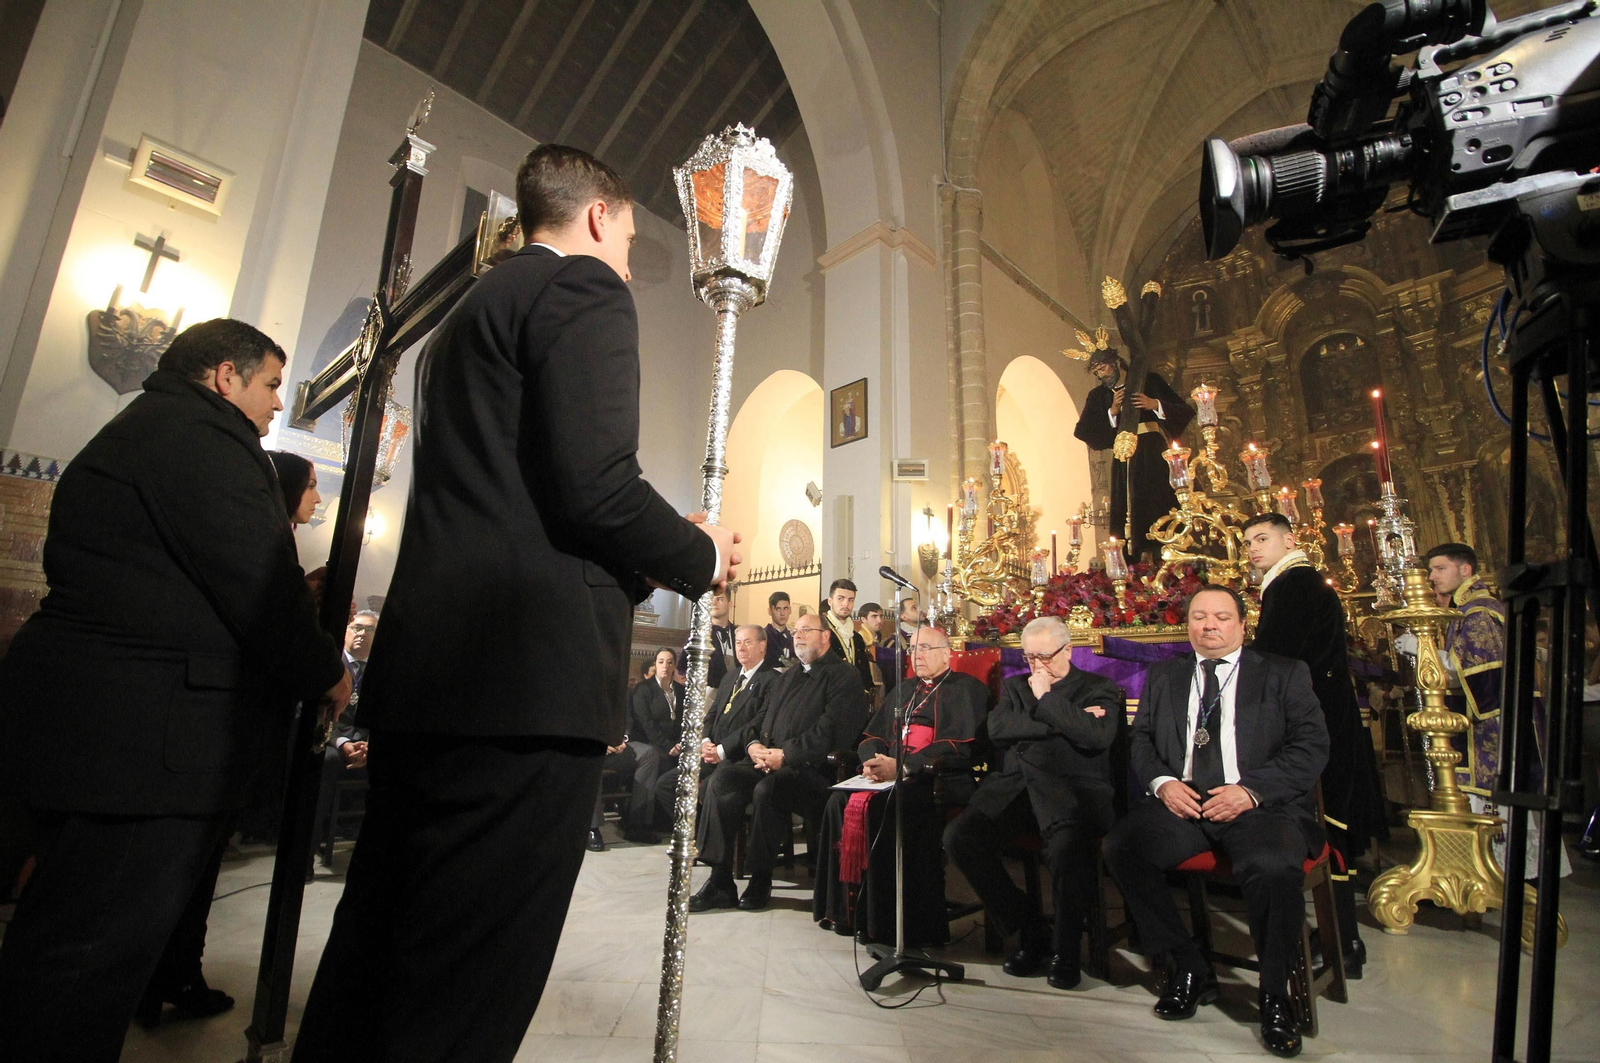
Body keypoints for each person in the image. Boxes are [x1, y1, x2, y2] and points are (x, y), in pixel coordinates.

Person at [293, 145, 740, 1063]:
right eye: (625, 241)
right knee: (464, 981)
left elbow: (521, 499)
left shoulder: (468, 315)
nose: (625, 263)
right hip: (520, 692)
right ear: (602, 216)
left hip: (433, 681)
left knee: (380, 945)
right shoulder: (583, 289)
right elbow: (596, 490)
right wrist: (700, 551)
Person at [0, 319, 349, 1061]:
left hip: (104, 731)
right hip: (141, 747)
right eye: (269, 386)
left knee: (64, 947)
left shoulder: (150, 427)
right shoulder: (203, 439)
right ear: (225, 376)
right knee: (84, 962)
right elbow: (256, 583)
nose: (275, 405)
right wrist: (325, 668)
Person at [1103, 586, 1328, 1059]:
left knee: (1271, 867)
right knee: (1122, 848)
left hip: (1257, 805)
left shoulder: (1283, 674)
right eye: (1199, 616)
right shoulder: (1165, 674)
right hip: (1185, 803)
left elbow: (1311, 748)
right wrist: (1164, 782)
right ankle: (1189, 966)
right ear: (1187, 625)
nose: (1209, 625)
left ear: (1242, 625)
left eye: (1221, 617)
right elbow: (1140, 739)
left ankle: (1274, 995)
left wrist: (1250, 791)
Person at [945, 616, 1125, 990]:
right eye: (1030, 658)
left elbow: (1095, 737)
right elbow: (998, 731)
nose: (1037, 667)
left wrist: (1045, 699)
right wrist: (1062, 723)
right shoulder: (1014, 688)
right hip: (1016, 791)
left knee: (1065, 850)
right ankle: (1030, 926)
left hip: (1071, 793)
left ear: (1068, 650)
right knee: (960, 837)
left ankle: (1066, 950)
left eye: (1044, 657)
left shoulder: (1100, 688)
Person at [1244, 513, 1387, 976]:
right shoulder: (1297, 584)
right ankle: (1341, 938)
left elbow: (1274, 661)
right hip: (1328, 715)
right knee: (1329, 823)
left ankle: (1343, 941)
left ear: (1290, 540)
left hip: (1314, 726)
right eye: (1247, 541)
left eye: (1262, 539)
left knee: (1327, 824)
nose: (1251, 548)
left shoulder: (1293, 585)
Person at [816, 625, 988, 946]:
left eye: (926, 649)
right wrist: (872, 761)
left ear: (947, 654)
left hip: (936, 781)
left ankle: (887, 925)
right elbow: (873, 736)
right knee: (838, 803)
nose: (917, 656)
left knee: (887, 809)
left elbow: (959, 748)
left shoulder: (966, 689)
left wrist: (905, 766)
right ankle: (848, 912)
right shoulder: (903, 690)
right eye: (913, 649)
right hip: (889, 774)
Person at [690, 613, 869, 912]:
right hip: (769, 760)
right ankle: (720, 881)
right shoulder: (788, 676)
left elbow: (831, 731)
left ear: (825, 637)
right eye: (795, 631)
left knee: (767, 791)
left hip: (812, 770)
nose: (797, 636)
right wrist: (754, 745)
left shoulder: (844, 676)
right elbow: (761, 720)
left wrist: (785, 755)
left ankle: (761, 879)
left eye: (806, 631)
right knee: (722, 779)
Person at [1072, 347, 1194, 561]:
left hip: (1154, 451)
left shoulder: (1149, 382)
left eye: (1103, 368)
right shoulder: (1098, 395)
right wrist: (1112, 413)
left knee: (1160, 500)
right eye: (1096, 372)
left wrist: (1154, 404)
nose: (1101, 375)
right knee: (1128, 507)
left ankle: (1169, 549)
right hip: (1125, 457)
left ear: (1117, 362)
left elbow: (1183, 411)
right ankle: (1134, 559)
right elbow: (1084, 431)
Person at [655, 624, 777, 823]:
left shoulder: (771, 679)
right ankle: (695, 837)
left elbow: (758, 723)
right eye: (738, 643)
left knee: (709, 789)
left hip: (736, 757)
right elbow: (710, 715)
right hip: (710, 753)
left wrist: (722, 750)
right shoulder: (729, 677)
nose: (741, 648)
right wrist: (704, 741)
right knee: (665, 785)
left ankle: (706, 840)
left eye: (747, 642)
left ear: (762, 646)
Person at [311, 611, 377, 864]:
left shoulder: (381, 670)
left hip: (366, 747)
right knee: (323, 761)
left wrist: (371, 747)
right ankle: (306, 855)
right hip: (333, 742)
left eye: (369, 630)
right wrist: (343, 742)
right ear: (346, 631)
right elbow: (316, 712)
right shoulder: (332, 665)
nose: (362, 634)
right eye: (357, 628)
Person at [624, 648, 685, 843]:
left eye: (669, 662)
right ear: (655, 664)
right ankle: (648, 821)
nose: (665, 666)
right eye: (660, 662)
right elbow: (646, 724)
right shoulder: (644, 689)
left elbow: (684, 721)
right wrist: (668, 746)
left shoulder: (681, 690)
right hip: (649, 742)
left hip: (675, 744)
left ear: (675, 666)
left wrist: (680, 744)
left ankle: (673, 820)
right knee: (662, 760)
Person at [822, 578, 875, 694]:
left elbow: (865, 672)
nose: (846, 604)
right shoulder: (821, 633)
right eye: (840, 599)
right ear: (830, 601)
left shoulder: (857, 638)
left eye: (851, 600)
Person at [687, 590, 736, 690]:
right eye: (711, 599)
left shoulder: (738, 633)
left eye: (719, 599)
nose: (714, 603)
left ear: (730, 604)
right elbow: (684, 670)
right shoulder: (699, 635)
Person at [765, 590, 795, 670]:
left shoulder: (793, 637)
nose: (782, 613)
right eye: (778, 609)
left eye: (785, 608)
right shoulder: (763, 636)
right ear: (770, 611)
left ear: (790, 610)